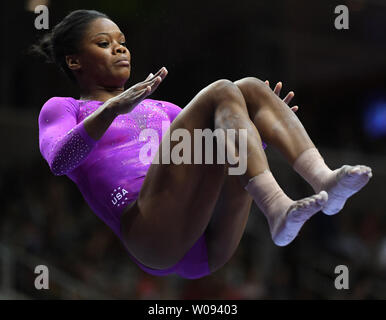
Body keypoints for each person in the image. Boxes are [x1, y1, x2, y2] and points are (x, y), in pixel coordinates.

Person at [33, 10, 372, 279]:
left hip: (211, 240)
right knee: (225, 90)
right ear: (74, 61)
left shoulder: (166, 111)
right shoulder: (65, 109)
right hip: (151, 234)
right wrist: (109, 111)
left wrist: (259, 130)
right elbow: (60, 161)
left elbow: (224, 157)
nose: (120, 48)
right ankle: (275, 204)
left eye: (122, 41)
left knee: (252, 90)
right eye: (104, 43)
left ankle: (324, 181)